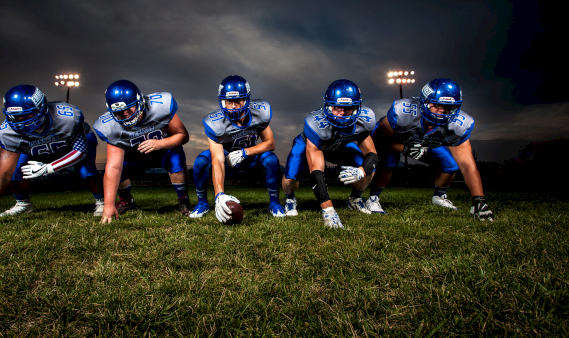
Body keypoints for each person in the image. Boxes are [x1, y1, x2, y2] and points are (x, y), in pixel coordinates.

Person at [0, 85, 105, 230]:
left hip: (69, 145)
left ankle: (102, 200)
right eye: (16, 117)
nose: (22, 121)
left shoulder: (67, 117)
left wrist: (49, 168)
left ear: (42, 108)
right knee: (15, 172)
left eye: (28, 115)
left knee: (86, 172)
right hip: (34, 149)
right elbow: (2, 176)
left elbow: (80, 151)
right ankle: (23, 204)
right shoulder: (7, 133)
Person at [367, 78, 494, 221]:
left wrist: (479, 200)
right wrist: (405, 148)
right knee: (389, 162)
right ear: (425, 102)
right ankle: (373, 198)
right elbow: (378, 140)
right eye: (437, 105)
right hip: (396, 140)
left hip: (425, 142)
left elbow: (467, 164)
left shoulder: (459, 125)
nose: (442, 111)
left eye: (448, 107)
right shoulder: (402, 112)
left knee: (450, 165)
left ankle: (439, 196)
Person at [281, 79, 378, 229]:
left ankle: (355, 199)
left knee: (369, 168)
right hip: (312, 144)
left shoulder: (364, 120)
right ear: (328, 106)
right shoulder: (315, 124)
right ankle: (290, 199)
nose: (342, 113)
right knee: (290, 177)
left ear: (357, 107)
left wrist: (361, 170)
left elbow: (372, 154)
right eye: (337, 107)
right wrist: (328, 210)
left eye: (348, 108)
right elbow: (316, 172)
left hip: (341, 145)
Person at [189, 75, 286, 223]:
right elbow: (217, 159)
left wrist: (246, 152)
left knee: (272, 159)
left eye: (237, 101)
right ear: (222, 101)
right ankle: (202, 203)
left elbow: (270, 143)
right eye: (229, 102)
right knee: (200, 161)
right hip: (226, 155)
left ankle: (274, 203)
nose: (233, 106)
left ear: (246, 100)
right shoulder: (215, 123)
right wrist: (219, 195)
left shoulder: (259, 113)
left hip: (250, 154)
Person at [93, 79, 191, 224]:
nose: (126, 114)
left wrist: (160, 143)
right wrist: (108, 205)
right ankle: (126, 200)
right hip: (135, 156)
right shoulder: (109, 126)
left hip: (163, 150)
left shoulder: (161, 106)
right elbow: (113, 167)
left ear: (139, 102)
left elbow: (183, 135)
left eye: (129, 109)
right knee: (120, 168)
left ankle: (183, 200)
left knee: (176, 158)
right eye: (119, 112)